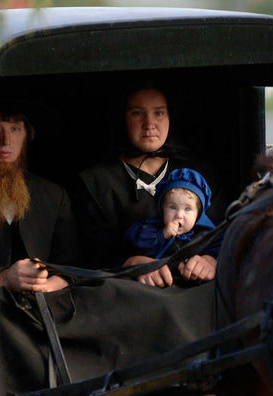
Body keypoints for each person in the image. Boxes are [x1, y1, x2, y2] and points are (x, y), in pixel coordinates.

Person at [75, 80, 225, 278]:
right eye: (137, 113)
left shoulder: (199, 174)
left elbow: (226, 233)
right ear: (123, 119)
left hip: (195, 288)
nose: (149, 124)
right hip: (127, 291)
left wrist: (212, 260)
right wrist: (131, 264)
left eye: (159, 113)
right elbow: (90, 253)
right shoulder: (96, 182)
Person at [0, 106, 83, 293]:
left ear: (26, 135)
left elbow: (73, 265)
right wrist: (1, 278)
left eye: (15, 129)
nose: (6, 141)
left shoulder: (52, 195)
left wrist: (49, 285)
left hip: (48, 307)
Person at [124, 168, 222, 287]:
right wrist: (162, 234)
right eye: (172, 207)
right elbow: (135, 244)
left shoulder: (205, 235)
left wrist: (210, 259)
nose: (179, 215)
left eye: (187, 209)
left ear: (198, 214)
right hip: (156, 286)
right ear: (162, 208)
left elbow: (222, 248)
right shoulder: (151, 230)